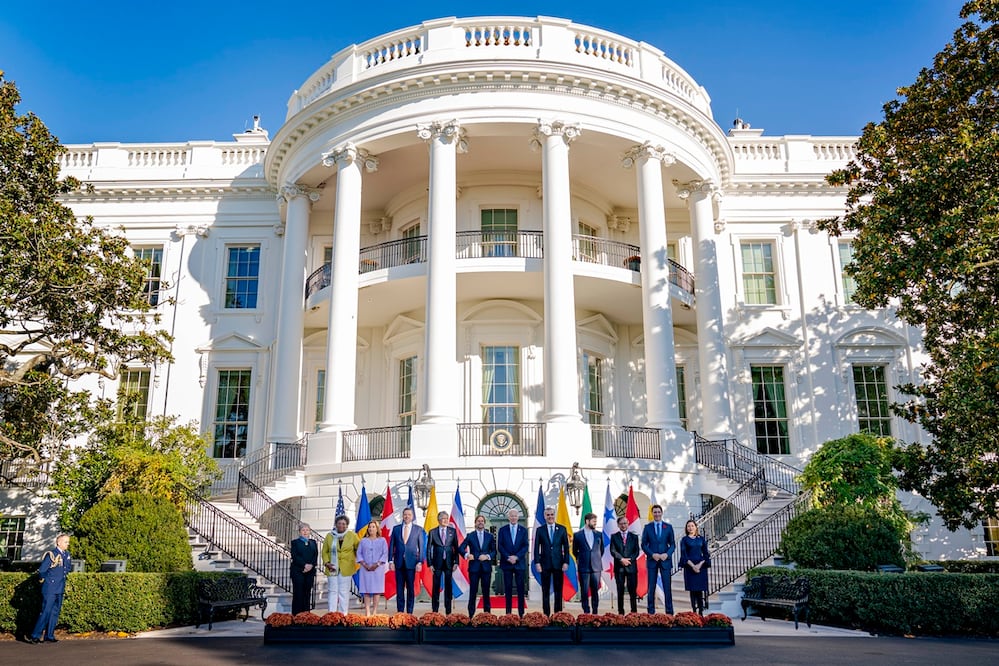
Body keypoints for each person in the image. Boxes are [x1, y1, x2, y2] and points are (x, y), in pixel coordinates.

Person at [29, 533, 71, 643]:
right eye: (66, 542)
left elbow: (67, 569)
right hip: (50, 589)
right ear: (59, 542)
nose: (68, 544)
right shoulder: (52, 554)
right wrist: (46, 582)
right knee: (46, 611)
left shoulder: (66, 554)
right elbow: (42, 570)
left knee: (54, 613)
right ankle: (35, 635)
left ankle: (49, 635)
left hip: (60, 588)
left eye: (68, 542)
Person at [533, 505, 570, 616]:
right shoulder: (540, 530)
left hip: (559, 564)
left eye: (552, 514)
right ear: (544, 516)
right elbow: (536, 547)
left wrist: (566, 562)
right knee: (545, 590)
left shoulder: (562, 529)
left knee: (559, 590)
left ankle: (558, 614)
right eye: (548, 515)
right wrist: (537, 562)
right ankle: (546, 614)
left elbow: (566, 547)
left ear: (555, 515)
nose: (550, 517)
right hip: (545, 564)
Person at [388, 506, 424, 613]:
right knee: (399, 589)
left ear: (412, 517)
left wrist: (420, 562)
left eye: (409, 515)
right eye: (405, 514)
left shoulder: (418, 529)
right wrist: (390, 561)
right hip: (398, 563)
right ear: (402, 516)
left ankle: (409, 612)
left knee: (410, 590)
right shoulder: (396, 529)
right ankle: (400, 612)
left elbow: (421, 547)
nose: (407, 516)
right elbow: (391, 546)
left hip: (411, 563)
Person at [640, 504, 675, 614]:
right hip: (652, 561)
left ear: (662, 513)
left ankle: (669, 612)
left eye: (658, 512)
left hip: (665, 561)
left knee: (667, 587)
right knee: (651, 587)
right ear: (652, 513)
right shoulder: (647, 527)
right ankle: (651, 612)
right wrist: (652, 554)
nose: (657, 514)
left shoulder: (668, 527)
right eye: (654, 512)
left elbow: (673, 544)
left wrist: (667, 554)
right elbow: (644, 544)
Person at [460, 514, 496, 616]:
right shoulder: (470, 535)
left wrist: (488, 556)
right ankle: (471, 615)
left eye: (482, 521)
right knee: (473, 592)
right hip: (474, 568)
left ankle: (487, 615)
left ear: (484, 523)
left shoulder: (490, 536)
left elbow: (494, 551)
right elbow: (461, 548)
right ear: (475, 523)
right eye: (478, 521)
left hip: (486, 568)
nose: (480, 522)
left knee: (486, 592)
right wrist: (467, 555)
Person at [322, 514, 360, 613]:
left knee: (344, 592)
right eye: (339, 523)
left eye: (344, 524)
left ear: (347, 525)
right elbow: (324, 551)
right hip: (332, 568)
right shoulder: (329, 536)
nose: (341, 525)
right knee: (332, 591)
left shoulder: (352, 535)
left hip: (346, 568)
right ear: (336, 524)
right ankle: (331, 614)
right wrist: (327, 563)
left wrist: (357, 559)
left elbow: (359, 548)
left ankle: (343, 614)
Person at [427, 510, 460, 614]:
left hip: (449, 563)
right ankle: (435, 610)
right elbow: (428, 549)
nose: (445, 520)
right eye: (443, 518)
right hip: (436, 563)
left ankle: (448, 611)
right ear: (438, 520)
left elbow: (456, 547)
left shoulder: (452, 531)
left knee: (448, 587)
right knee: (435, 586)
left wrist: (456, 562)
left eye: (446, 518)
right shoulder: (432, 532)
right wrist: (430, 564)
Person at [497, 508, 528, 616]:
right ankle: (508, 613)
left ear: (518, 517)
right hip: (507, 564)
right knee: (508, 589)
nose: (513, 517)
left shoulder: (523, 530)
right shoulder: (502, 530)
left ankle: (521, 613)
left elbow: (525, 546)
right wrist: (508, 557)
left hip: (519, 564)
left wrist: (517, 557)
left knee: (520, 590)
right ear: (508, 517)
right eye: (511, 515)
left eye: (515, 515)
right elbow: (500, 546)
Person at [572, 512, 604, 614]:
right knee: (584, 591)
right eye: (594, 521)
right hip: (583, 567)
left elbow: (601, 550)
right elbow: (574, 551)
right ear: (587, 521)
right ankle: (586, 611)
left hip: (596, 567)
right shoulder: (577, 535)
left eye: (596, 521)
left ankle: (595, 611)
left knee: (595, 590)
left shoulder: (599, 535)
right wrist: (582, 559)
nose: (595, 523)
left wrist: (595, 558)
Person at [356, 519, 388, 616]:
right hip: (365, 568)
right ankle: (367, 611)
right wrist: (364, 564)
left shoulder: (382, 540)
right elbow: (359, 553)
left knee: (376, 590)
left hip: (377, 569)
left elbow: (385, 553)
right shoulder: (363, 540)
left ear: (377, 529)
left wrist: (377, 564)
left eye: (373, 527)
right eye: (369, 527)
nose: (371, 529)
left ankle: (374, 610)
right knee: (366, 590)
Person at [679, 519, 711, 615]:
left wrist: (699, 565)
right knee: (693, 591)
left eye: (692, 526)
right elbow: (684, 555)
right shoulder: (684, 540)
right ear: (686, 528)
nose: (690, 528)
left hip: (701, 567)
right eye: (688, 526)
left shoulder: (701, 539)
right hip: (690, 567)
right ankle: (694, 611)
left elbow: (706, 553)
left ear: (696, 527)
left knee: (700, 590)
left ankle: (701, 611)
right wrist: (693, 566)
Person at [609, 516, 639, 614]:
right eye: (621, 523)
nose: (623, 525)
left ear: (628, 523)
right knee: (620, 590)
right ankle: (620, 612)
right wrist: (621, 559)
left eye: (625, 523)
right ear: (618, 525)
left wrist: (629, 560)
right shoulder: (614, 536)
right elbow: (612, 550)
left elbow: (636, 551)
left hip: (631, 567)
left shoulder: (634, 537)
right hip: (619, 567)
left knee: (632, 591)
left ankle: (634, 612)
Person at [290, 523, 318, 615]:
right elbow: (295, 556)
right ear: (299, 532)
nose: (305, 532)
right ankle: (297, 615)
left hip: (310, 572)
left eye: (307, 530)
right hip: (298, 571)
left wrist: (311, 566)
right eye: (303, 530)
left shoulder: (313, 543)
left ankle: (306, 615)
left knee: (307, 593)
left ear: (310, 531)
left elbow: (315, 555)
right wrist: (304, 565)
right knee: (298, 593)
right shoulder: (295, 542)